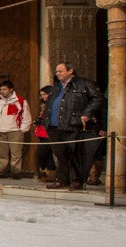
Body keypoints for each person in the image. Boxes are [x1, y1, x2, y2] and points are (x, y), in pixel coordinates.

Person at [43, 62, 105, 190]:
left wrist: (87, 113)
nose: (57, 74)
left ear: (70, 71)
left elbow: (98, 98)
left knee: (74, 155)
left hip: (72, 125)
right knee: (60, 155)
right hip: (54, 126)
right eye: (56, 71)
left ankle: (76, 181)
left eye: (60, 71)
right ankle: (61, 180)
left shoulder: (85, 84)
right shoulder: (56, 87)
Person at [0, 79, 32, 178]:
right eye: (1, 89)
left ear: (11, 89)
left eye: (4, 89)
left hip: (15, 131)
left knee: (16, 154)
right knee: (2, 154)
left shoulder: (20, 100)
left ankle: (15, 172)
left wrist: (22, 130)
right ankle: (2, 172)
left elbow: (26, 116)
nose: (2, 91)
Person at [33, 85, 56, 181]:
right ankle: (50, 175)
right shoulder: (42, 105)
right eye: (41, 95)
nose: (43, 97)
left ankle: (44, 171)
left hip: (49, 132)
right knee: (47, 155)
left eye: (44, 94)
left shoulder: (53, 104)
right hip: (41, 132)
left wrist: (41, 121)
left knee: (41, 154)